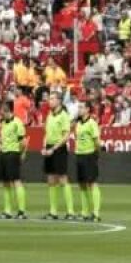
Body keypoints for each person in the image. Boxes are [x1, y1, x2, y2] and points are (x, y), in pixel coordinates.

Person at [41, 92, 75, 220]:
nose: (50, 101)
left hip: (59, 149)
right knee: (50, 180)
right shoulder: (50, 115)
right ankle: (53, 211)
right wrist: (44, 147)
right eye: (49, 99)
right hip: (49, 147)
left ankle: (70, 212)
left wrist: (53, 148)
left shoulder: (64, 116)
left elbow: (66, 136)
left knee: (62, 179)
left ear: (59, 101)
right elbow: (46, 133)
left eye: (52, 99)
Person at [0, 100, 28, 220]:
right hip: (4, 153)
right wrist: (0, 143)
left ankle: (21, 211)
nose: (0, 112)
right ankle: (7, 211)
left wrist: (21, 154)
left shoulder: (17, 123)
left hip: (13, 153)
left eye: (2, 110)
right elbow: (3, 138)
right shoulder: (3, 123)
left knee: (16, 181)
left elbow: (23, 142)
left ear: (7, 110)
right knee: (5, 182)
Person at [74, 103, 103, 222]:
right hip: (79, 155)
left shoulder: (92, 124)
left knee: (92, 183)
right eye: (79, 108)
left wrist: (96, 154)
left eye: (81, 108)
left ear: (87, 109)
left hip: (89, 155)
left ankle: (95, 213)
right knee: (82, 184)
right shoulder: (78, 124)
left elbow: (97, 142)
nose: (79, 110)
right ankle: (84, 212)